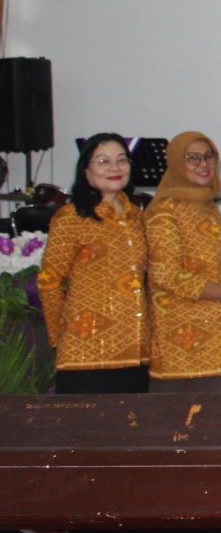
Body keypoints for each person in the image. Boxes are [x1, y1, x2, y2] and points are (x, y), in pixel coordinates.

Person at [36, 134, 151, 394]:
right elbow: (49, 281)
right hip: (85, 354)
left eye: (121, 160)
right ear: (86, 172)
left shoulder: (137, 217)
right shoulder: (70, 218)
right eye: (103, 161)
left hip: (136, 351)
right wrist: (59, 337)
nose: (114, 168)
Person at [145, 132, 221, 392]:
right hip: (183, 343)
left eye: (209, 157)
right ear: (177, 162)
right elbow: (166, 273)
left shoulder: (209, 208)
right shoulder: (164, 211)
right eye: (192, 158)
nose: (203, 164)